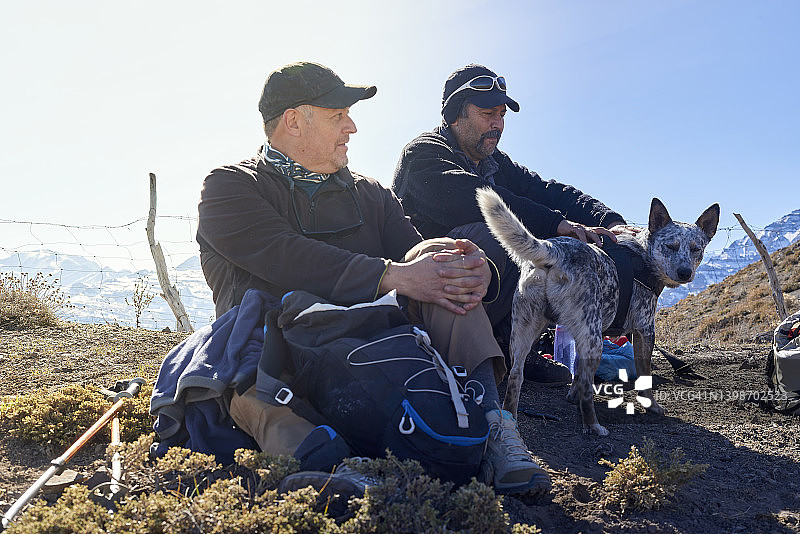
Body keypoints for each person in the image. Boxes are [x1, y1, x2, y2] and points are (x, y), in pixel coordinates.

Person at [196, 61, 550, 497]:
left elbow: (416, 257)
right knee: (246, 352)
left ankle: (494, 426)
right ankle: (330, 465)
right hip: (282, 352)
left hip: (374, 345)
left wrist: (474, 271)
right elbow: (286, 257)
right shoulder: (230, 187)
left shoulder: (370, 193)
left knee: (441, 263)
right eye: (337, 115)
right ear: (293, 122)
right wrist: (391, 276)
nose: (352, 127)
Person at [392, 64, 639, 385]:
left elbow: (548, 191)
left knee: (549, 244)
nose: (498, 125)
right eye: (487, 114)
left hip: (474, 298)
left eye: (502, 115)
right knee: (500, 236)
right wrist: (557, 224)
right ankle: (481, 352)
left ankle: (515, 349)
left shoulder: (495, 163)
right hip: (425, 303)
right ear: (455, 114)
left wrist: (610, 220)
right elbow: (479, 198)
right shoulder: (423, 154)